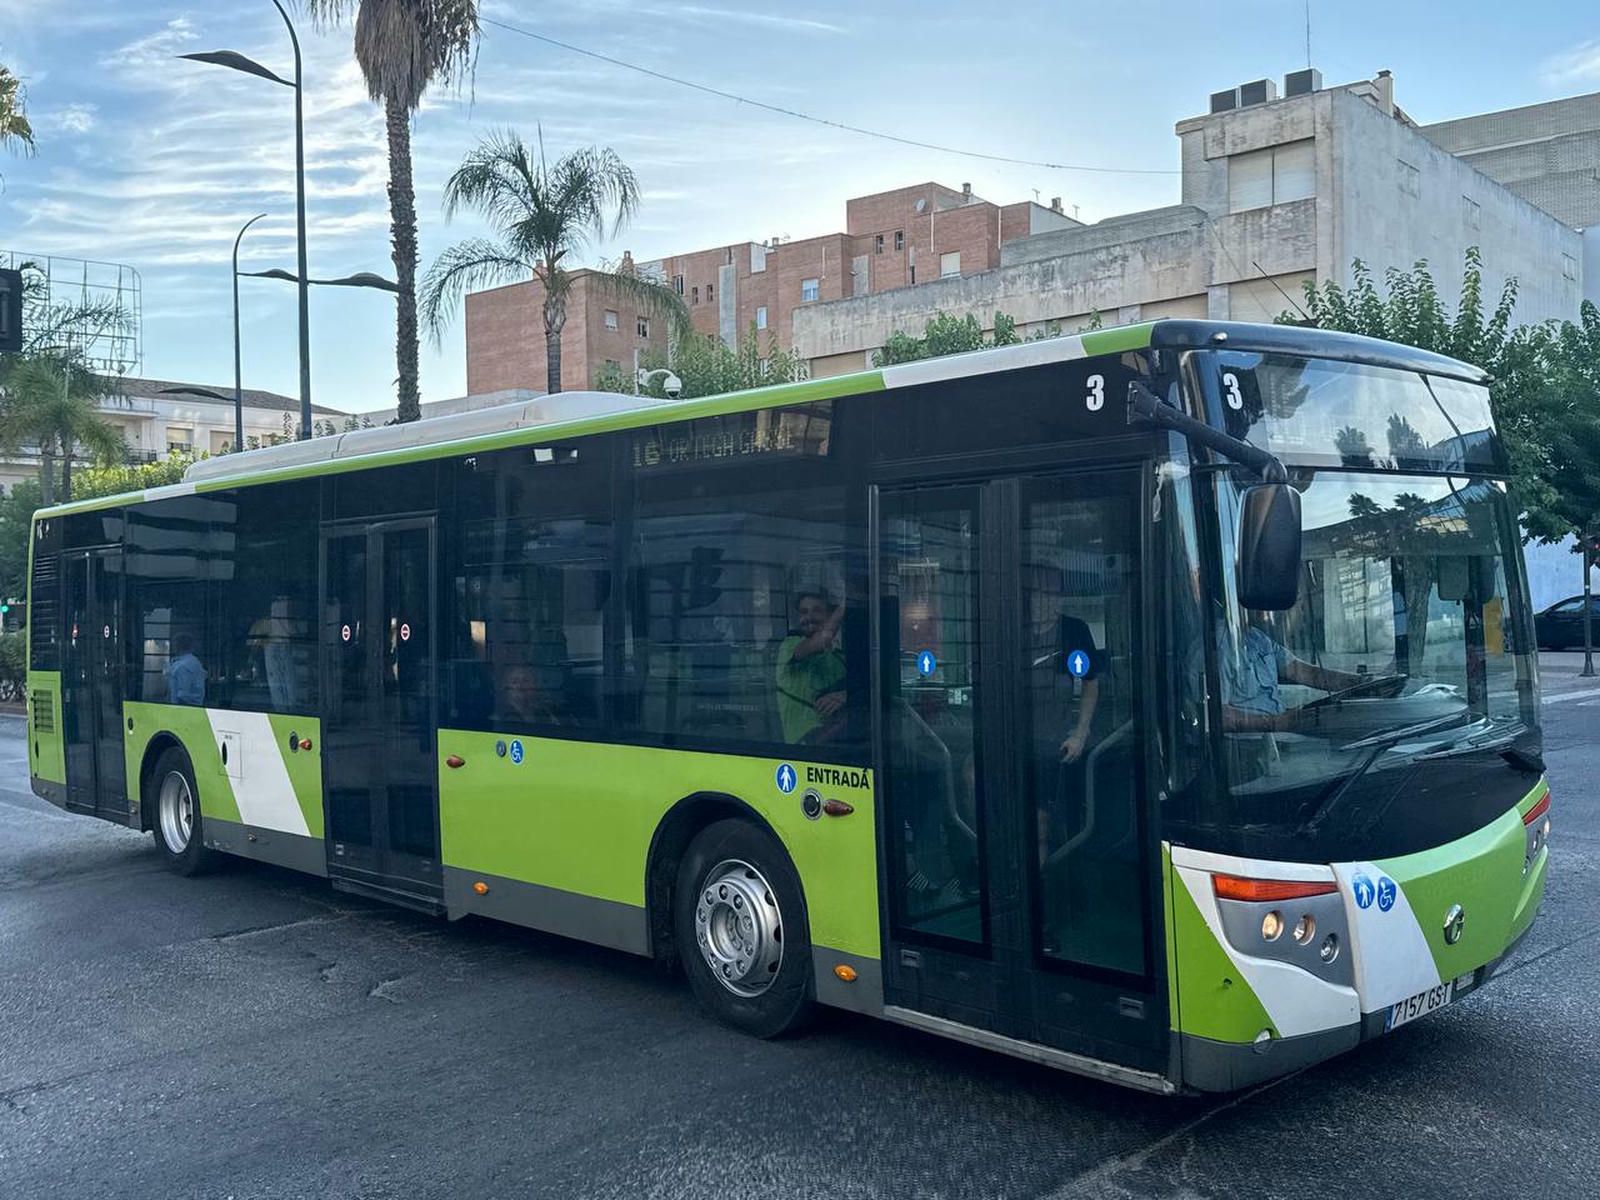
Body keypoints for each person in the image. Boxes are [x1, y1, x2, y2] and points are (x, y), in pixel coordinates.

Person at [1217, 612, 1385, 731]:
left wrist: (1362, 684)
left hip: (1277, 733)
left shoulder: (1257, 638)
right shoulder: (1218, 647)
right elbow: (1219, 717)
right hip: (1245, 746)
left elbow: (1307, 672)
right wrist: (1276, 723)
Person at [775, 591, 846, 743]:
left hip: (840, 744)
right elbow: (822, 640)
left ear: (829, 616)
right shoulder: (789, 646)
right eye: (803, 612)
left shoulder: (839, 656)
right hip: (804, 746)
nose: (809, 617)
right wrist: (846, 606)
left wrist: (845, 695)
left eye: (817, 611)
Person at [165, 632, 206, 707]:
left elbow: (183, 695)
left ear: (179, 646)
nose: (172, 647)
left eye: (174, 644)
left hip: (183, 710)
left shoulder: (183, 667)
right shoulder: (193, 662)